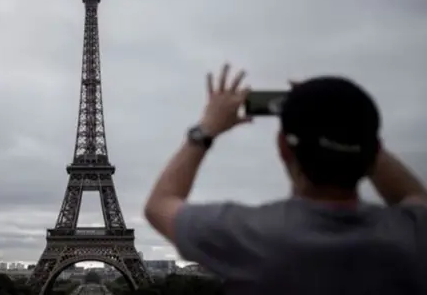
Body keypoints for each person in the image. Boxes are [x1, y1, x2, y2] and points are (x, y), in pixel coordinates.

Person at [144, 64, 426, 295]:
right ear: (373, 151)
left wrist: (206, 129)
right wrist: (346, 123)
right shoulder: (411, 236)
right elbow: (413, 197)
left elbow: (160, 204)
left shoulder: (247, 234)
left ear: (282, 147)